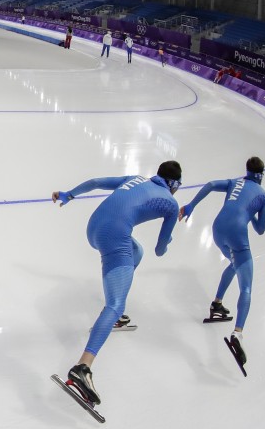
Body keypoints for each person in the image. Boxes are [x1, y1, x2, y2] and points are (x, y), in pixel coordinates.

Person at [51, 161, 182, 405]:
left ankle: (113, 309)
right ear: (175, 185)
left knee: (137, 252)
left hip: (93, 228)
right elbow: (161, 250)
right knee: (116, 305)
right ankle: (82, 368)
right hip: (114, 236)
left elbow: (96, 182)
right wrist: (170, 235)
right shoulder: (171, 204)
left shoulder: (137, 178)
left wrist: (69, 195)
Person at [178, 157, 265, 365]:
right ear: (261, 175)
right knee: (246, 288)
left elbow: (209, 185)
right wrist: (251, 212)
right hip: (237, 234)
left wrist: (191, 205)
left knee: (234, 264)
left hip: (218, 230)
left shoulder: (235, 182)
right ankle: (238, 333)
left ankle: (217, 304)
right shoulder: (262, 195)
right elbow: (261, 230)